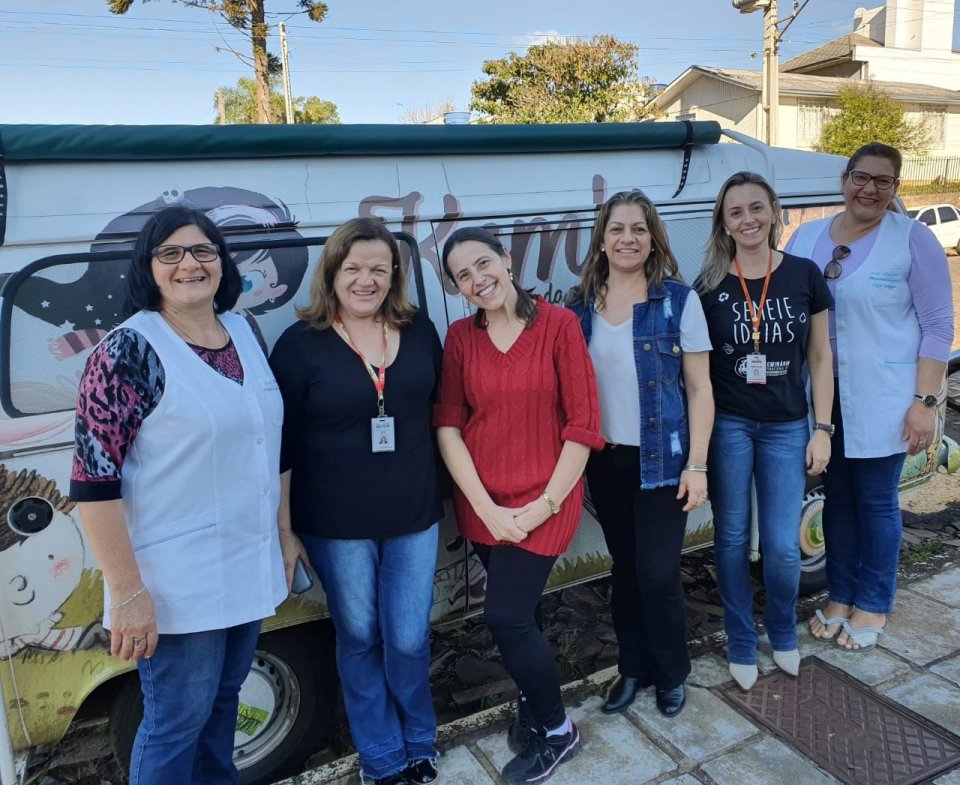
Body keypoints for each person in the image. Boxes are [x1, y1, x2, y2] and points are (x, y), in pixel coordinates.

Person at [70, 205, 295, 785]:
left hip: (248, 562)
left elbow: (274, 443)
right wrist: (126, 592)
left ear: (222, 262)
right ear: (149, 268)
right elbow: (93, 485)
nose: (188, 264)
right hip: (176, 583)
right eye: (170, 253)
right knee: (177, 721)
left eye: (202, 250)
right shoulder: (127, 352)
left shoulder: (244, 331)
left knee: (223, 706)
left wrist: (284, 532)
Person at [269, 217, 443, 785]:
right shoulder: (301, 344)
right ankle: (382, 756)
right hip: (336, 524)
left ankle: (420, 739)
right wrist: (285, 529)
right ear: (333, 273)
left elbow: (444, 414)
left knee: (410, 637)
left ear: (394, 274)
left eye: (378, 267)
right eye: (353, 267)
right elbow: (282, 446)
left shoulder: (419, 331)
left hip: (414, 513)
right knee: (361, 636)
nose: (365, 279)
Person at [435, 227, 604, 785]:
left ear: (506, 260)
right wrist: (485, 508)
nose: (478, 278)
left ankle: (558, 730)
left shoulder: (558, 326)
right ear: (457, 287)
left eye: (484, 263)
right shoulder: (460, 338)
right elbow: (450, 426)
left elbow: (582, 427)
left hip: (547, 499)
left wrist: (544, 506)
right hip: (484, 503)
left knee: (504, 616)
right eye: (463, 274)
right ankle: (533, 707)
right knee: (523, 614)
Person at [786, 143, 954, 652]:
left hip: (887, 396)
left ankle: (874, 601)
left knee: (876, 501)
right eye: (862, 177)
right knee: (836, 499)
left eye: (884, 181)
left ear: (895, 188)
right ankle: (840, 596)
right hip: (822, 395)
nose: (870, 189)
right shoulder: (806, 237)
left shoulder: (913, 239)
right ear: (845, 179)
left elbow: (937, 326)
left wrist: (924, 401)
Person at [567, 190, 714, 718]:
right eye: (616, 229)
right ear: (602, 240)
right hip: (605, 461)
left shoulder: (677, 300)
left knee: (657, 572)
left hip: (664, 462)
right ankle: (634, 669)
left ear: (652, 239)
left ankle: (672, 672)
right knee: (625, 571)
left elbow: (699, 389)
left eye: (638, 229)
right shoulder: (579, 306)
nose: (627, 238)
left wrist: (697, 465)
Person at [697, 172, 834, 690]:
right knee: (731, 538)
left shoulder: (805, 274)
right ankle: (738, 636)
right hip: (730, 425)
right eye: (736, 213)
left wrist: (822, 427)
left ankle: (782, 631)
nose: (748, 220)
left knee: (780, 544)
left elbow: (820, 357)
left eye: (757, 208)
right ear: (725, 224)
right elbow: (697, 371)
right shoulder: (709, 285)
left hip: (785, 426)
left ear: (775, 211)